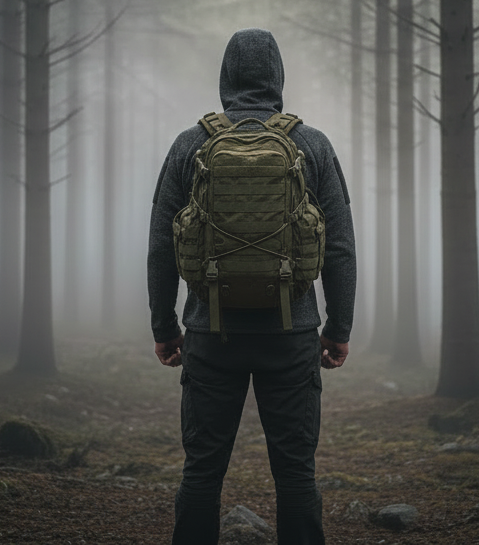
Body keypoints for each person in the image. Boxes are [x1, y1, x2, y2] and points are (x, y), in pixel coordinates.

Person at [147, 28, 357, 545]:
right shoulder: (311, 144)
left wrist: (164, 326)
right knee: (295, 475)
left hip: (209, 333)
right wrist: (339, 327)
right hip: (291, 334)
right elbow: (340, 246)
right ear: (277, 78)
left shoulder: (190, 144)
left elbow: (160, 245)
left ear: (225, 78)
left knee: (201, 472)